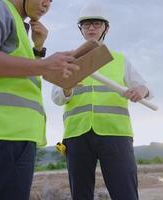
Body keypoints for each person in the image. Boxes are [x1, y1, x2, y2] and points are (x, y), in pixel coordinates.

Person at [0, 0, 79, 199]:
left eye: (51, 1)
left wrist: (38, 49)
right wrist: (44, 65)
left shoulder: (17, 22)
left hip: (11, 139)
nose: (47, 4)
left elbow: (20, 75)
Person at [52, 2, 153, 200]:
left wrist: (142, 90)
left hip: (115, 134)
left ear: (106, 28)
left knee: (125, 193)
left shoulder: (119, 59)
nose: (91, 27)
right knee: (81, 194)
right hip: (77, 134)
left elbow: (145, 88)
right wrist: (67, 87)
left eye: (96, 24)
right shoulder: (69, 58)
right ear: (80, 29)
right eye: (86, 24)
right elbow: (56, 98)